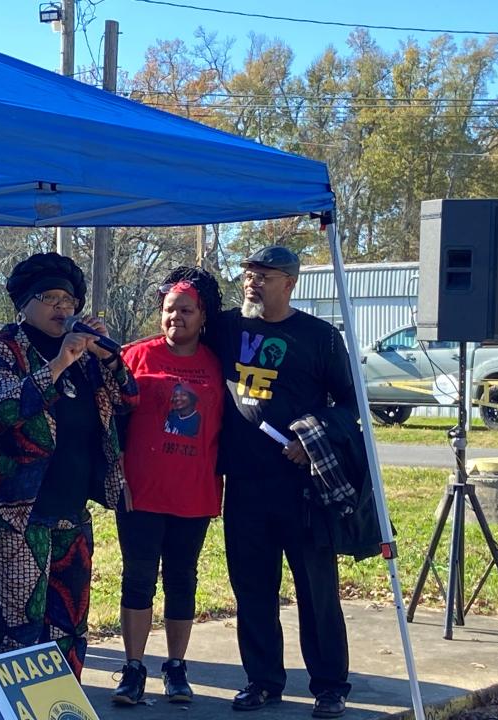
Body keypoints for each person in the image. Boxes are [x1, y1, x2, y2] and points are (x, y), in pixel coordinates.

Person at [0, 252, 138, 679]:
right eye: (49, 297)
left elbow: (129, 400)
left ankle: (63, 705)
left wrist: (107, 357)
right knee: (17, 631)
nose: (62, 308)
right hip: (18, 516)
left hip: (71, 516)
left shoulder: (87, 358)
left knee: (69, 628)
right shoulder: (1, 349)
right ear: (24, 303)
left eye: (69, 300)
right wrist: (59, 363)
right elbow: (5, 407)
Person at [210, 246, 357, 719]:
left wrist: (310, 439)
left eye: (264, 276)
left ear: (290, 282)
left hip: (301, 486)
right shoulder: (229, 327)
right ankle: (263, 681)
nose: (252, 283)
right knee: (251, 588)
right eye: (248, 275)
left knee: (316, 590)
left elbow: (352, 407)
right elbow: (180, 323)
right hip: (245, 485)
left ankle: (330, 686)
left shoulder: (320, 337)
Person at [112, 267, 224, 705]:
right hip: (141, 492)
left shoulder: (217, 365)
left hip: (194, 494)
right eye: (168, 309)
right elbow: (110, 417)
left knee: (182, 580)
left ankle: (176, 667)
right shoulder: (135, 356)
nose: (175, 317)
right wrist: (116, 472)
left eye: (185, 310)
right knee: (137, 579)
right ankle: (133, 668)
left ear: (202, 317)